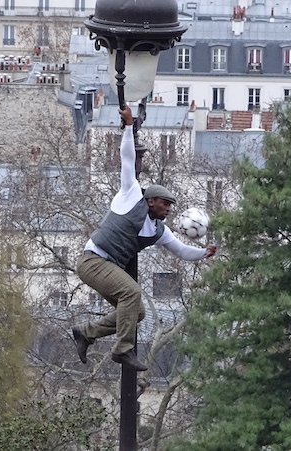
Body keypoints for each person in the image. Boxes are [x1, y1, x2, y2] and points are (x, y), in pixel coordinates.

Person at [71, 105, 217, 372]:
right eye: (165, 203)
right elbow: (127, 158)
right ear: (151, 201)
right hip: (92, 261)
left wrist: (204, 253)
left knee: (136, 313)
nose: (169, 209)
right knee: (131, 292)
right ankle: (122, 350)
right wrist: (128, 128)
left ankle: (86, 332)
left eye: (171, 206)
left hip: (106, 267)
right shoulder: (131, 196)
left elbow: (182, 251)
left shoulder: (158, 230)